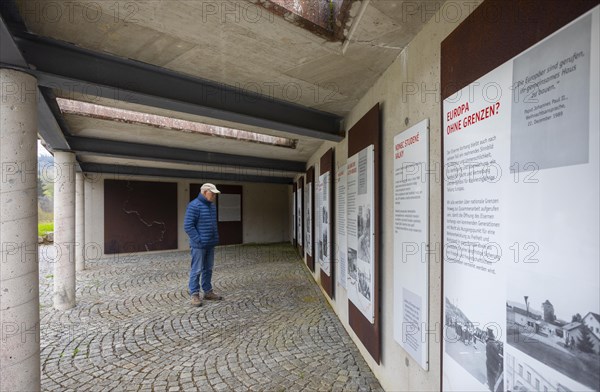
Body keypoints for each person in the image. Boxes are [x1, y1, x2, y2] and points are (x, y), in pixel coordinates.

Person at [184, 183, 223, 307]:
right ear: (205, 192)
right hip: (199, 245)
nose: (214, 196)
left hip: (210, 244)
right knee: (197, 269)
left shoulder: (211, 206)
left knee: (208, 268)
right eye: (212, 194)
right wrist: (199, 240)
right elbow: (188, 226)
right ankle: (194, 294)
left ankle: (208, 292)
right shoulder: (194, 206)